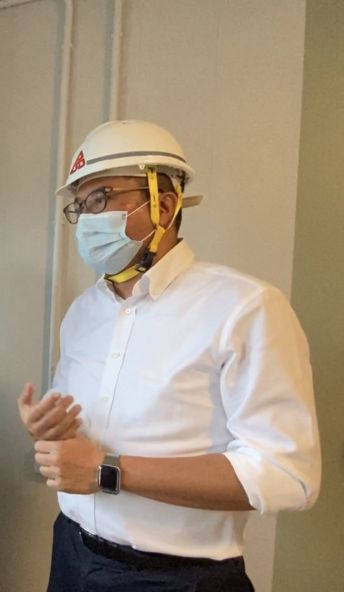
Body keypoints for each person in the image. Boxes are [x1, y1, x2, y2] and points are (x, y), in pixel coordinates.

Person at [18, 120, 321, 591]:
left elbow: (288, 475)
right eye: (80, 205)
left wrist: (108, 470)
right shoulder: (83, 312)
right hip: (73, 554)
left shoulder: (244, 308)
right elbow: (87, 430)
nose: (87, 217)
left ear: (162, 203)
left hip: (177, 577)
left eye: (100, 198)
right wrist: (52, 427)